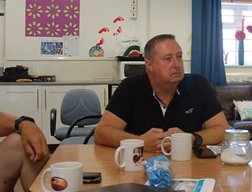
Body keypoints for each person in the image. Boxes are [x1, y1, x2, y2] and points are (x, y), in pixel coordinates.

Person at [95, 34, 228, 152]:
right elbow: (102, 133)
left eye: (179, 56)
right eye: (168, 58)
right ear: (149, 65)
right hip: (139, 166)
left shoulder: (198, 85)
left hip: (187, 166)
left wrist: (192, 138)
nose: (177, 64)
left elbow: (222, 129)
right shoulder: (130, 87)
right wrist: (139, 142)